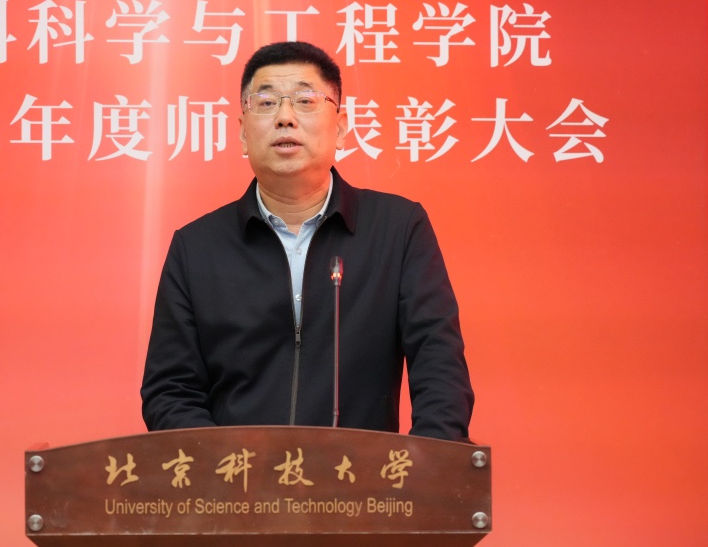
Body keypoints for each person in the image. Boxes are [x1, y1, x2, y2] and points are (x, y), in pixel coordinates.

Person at [141, 41, 473, 440]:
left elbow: (439, 367)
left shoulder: (398, 229)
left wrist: (422, 466)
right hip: (236, 476)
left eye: (305, 100)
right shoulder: (196, 248)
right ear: (243, 133)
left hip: (360, 476)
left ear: (341, 128)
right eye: (266, 103)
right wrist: (224, 468)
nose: (285, 117)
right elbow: (170, 392)